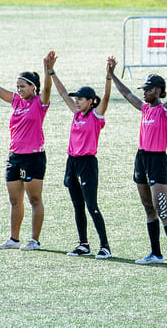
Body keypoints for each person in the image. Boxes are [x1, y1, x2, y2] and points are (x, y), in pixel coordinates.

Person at [109, 53, 167, 268]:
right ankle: (155, 253)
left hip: (157, 161)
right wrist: (112, 75)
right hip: (141, 159)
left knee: (161, 209)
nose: (144, 93)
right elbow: (126, 93)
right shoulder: (144, 109)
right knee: (148, 207)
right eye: (144, 89)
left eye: (149, 89)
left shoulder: (165, 111)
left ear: (159, 91)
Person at [45, 52, 114, 259]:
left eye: (80, 99)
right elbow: (64, 93)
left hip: (87, 163)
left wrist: (108, 76)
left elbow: (107, 96)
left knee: (91, 205)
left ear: (91, 101)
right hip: (72, 162)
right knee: (78, 206)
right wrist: (51, 72)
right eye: (77, 99)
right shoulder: (76, 113)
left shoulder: (96, 116)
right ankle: (83, 244)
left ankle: (105, 247)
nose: (76, 101)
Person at [0, 47, 52, 251]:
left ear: (33, 88)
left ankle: (34, 240)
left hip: (33, 157)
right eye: (18, 86)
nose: (19, 90)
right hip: (14, 156)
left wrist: (47, 69)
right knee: (15, 200)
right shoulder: (16, 101)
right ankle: (14, 239)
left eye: (22, 86)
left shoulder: (39, 103)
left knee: (34, 199)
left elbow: (48, 90)